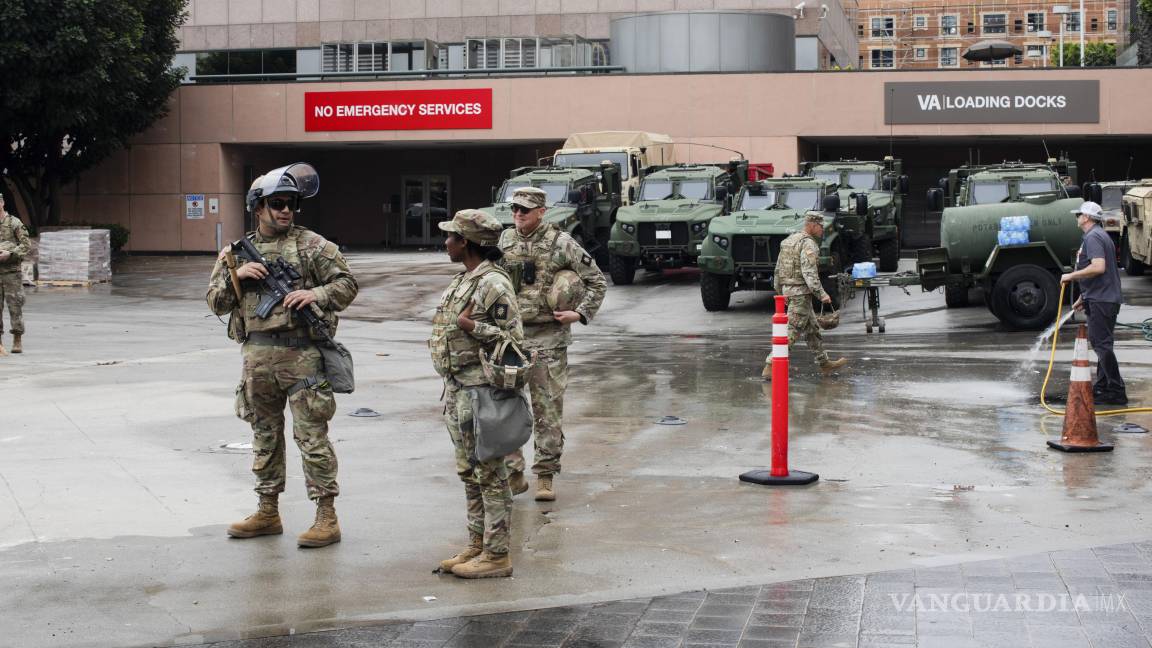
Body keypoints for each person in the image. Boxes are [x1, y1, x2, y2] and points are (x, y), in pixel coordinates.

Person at [206, 163, 358, 548]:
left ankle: (326, 516)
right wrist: (237, 278)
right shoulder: (235, 254)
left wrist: (316, 295)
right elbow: (216, 302)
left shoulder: (313, 246)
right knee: (264, 436)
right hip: (257, 357)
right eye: (277, 203)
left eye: (290, 203)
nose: (286, 210)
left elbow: (347, 283)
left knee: (312, 437)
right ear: (258, 207)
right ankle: (267, 511)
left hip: (302, 356)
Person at [430, 209, 525, 579]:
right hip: (458, 391)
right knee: (469, 472)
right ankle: (477, 543)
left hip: (481, 393)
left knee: (491, 473)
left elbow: (515, 343)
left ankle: (497, 553)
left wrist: (473, 327)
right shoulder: (465, 279)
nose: (446, 242)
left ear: (466, 242)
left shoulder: (493, 284)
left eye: (451, 236)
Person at [500, 187, 607, 502]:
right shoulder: (503, 241)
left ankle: (545, 474)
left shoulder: (562, 243)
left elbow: (596, 280)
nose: (519, 215)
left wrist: (580, 313)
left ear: (542, 212)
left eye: (525, 210)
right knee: (505, 406)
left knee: (546, 409)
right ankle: (513, 470)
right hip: (511, 338)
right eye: (515, 209)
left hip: (549, 338)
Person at [766, 211, 848, 378]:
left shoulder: (788, 241)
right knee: (792, 330)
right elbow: (809, 272)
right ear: (811, 224)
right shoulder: (809, 244)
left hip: (791, 292)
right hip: (801, 294)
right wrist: (822, 294)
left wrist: (781, 291)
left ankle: (824, 364)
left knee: (812, 330)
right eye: (819, 226)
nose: (822, 229)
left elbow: (777, 270)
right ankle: (770, 365)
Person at [1061, 201, 1126, 405]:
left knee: (1101, 344)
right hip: (1099, 297)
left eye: (1079, 214)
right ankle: (1103, 386)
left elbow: (1098, 267)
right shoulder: (1096, 235)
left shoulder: (1094, 237)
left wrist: (1071, 276)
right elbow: (1100, 273)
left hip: (1102, 300)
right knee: (1101, 343)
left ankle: (1116, 391)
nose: (1077, 217)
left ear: (1087, 217)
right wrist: (1084, 296)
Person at [0, 194, 30, 355]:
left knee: (15, 306)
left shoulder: (14, 222)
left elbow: (26, 245)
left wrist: (10, 253)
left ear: (2, 203)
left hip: (11, 273)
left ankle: (17, 338)